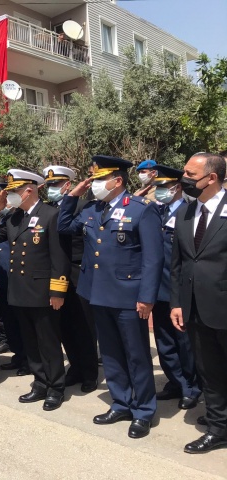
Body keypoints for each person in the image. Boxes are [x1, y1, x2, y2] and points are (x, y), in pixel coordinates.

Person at [58, 155, 164, 439]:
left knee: (137, 355)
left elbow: (153, 258)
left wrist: (147, 297)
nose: (94, 184)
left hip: (130, 296)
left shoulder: (142, 210)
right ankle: (120, 402)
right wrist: (73, 196)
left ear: (117, 181)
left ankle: (143, 410)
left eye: (100, 179)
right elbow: (64, 227)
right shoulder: (92, 209)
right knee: (112, 354)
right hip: (98, 293)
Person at [0, 169, 71, 410]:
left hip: (43, 292)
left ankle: (56, 387)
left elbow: (59, 257)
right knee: (30, 342)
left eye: (14, 191)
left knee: (48, 342)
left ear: (29, 190)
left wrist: (57, 292)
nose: (10, 195)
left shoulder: (50, 215)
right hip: (20, 291)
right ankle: (40, 383)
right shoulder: (14, 216)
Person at [170, 152, 227, 454]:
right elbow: (178, 262)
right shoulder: (185, 212)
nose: (185, 179)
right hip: (194, 309)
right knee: (210, 371)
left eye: (191, 175)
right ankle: (219, 427)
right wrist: (177, 302)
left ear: (212, 178)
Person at [44, 165, 99, 393]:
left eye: (55, 185)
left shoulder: (83, 206)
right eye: (49, 186)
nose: (51, 189)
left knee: (83, 326)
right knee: (64, 325)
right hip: (55, 272)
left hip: (77, 271)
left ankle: (89, 373)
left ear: (68, 185)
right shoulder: (47, 208)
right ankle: (75, 367)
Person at [150, 165, 201, 410]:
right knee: (164, 341)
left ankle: (191, 386)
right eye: (157, 187)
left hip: (179, 290)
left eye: (162, 187)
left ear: (176, 187)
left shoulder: (189, 212)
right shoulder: (156, 211)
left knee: (185, 342)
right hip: (157, 288)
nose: (158, 191)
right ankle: (175, 381)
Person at [0, 190, 29, 376]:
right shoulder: (4, 218)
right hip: (2, 278)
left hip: (18, 279)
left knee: (22, 323)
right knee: (8, 321)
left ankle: (28, 359)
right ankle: (18, 356)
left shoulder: (20, 217)